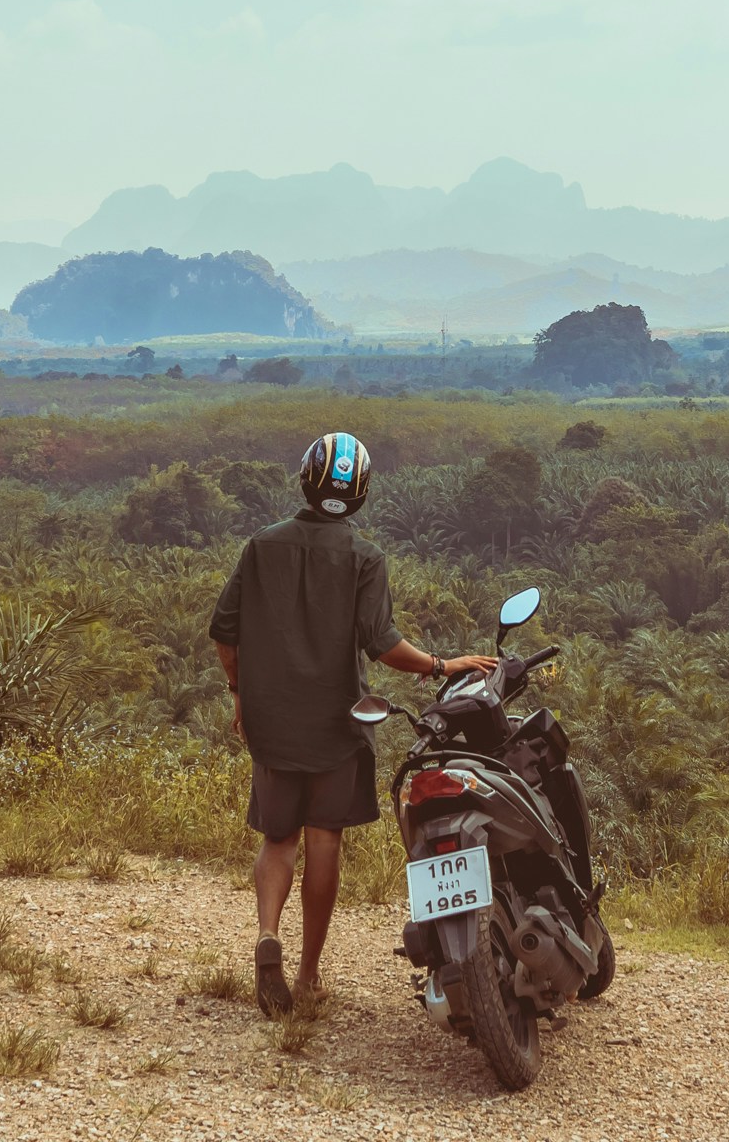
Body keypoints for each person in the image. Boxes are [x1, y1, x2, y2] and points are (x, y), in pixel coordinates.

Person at [208, 429, 493, 1017]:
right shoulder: (364, 557)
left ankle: (268, 938)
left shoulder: (262, 545)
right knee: (323, 840)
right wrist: (443, 664)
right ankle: (310, 973)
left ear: (306, 481)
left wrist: (241, 695)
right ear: (359, 493)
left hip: (273, 720)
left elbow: (225, 634)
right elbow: (382, 643)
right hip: (337, 724)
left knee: (277, 840)